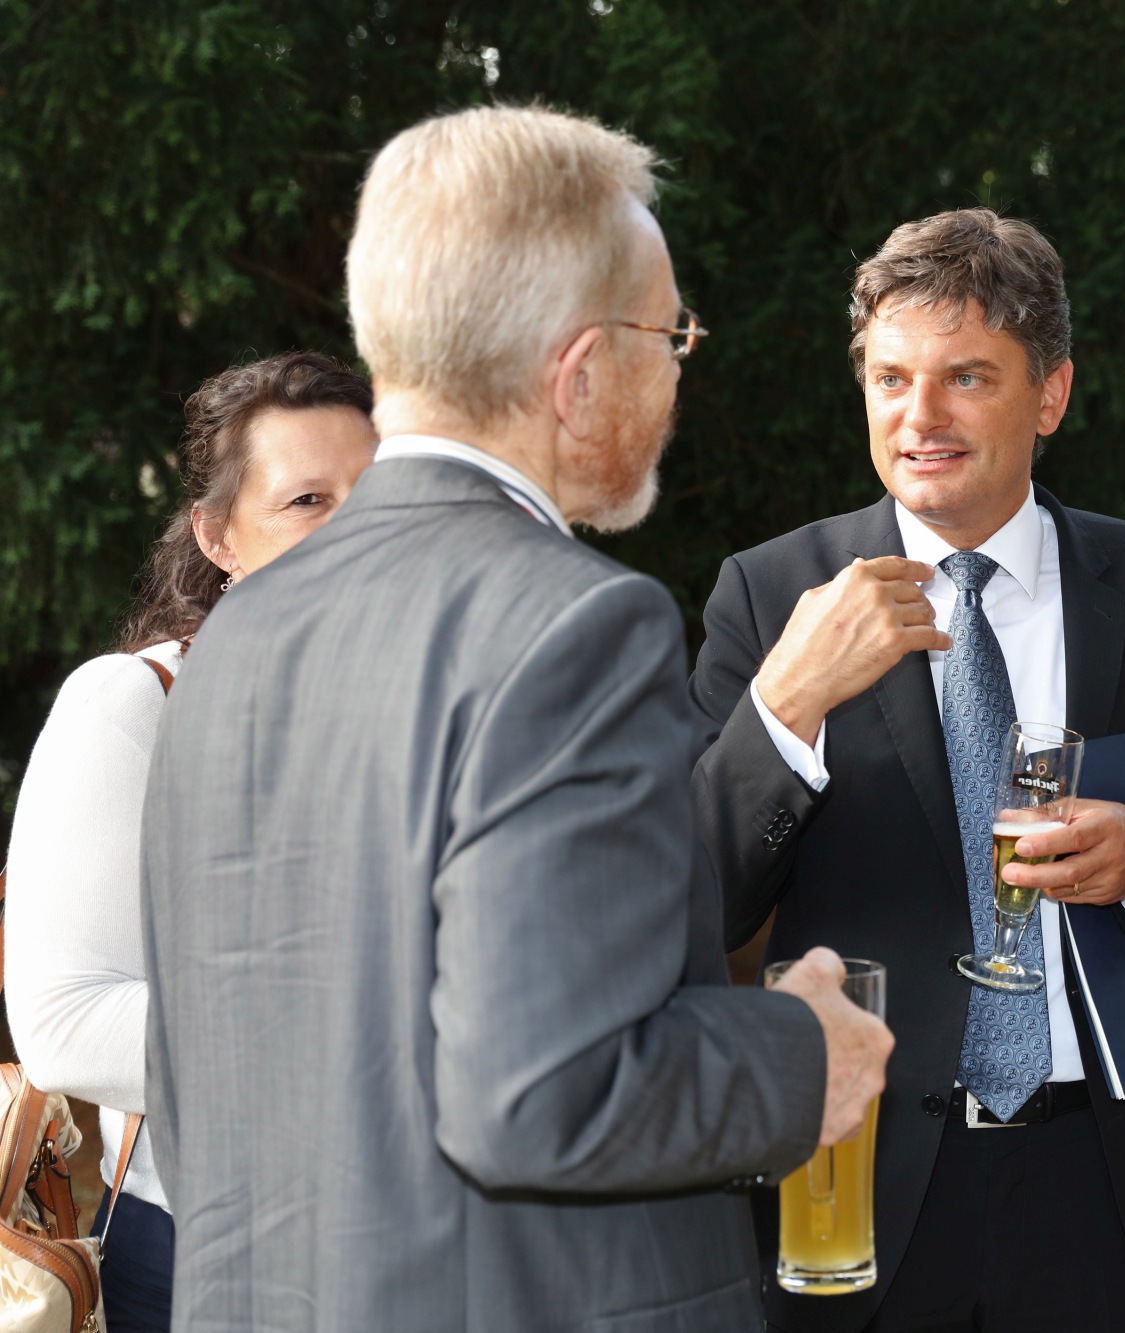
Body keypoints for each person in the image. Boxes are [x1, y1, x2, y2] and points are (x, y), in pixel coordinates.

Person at [139, 105, 892, 1332]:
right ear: (581, 370)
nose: (677, 365)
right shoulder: (573, 629)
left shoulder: (237, 637)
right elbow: (540, 1094)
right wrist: (802, 1056)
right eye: (669, 333)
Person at [689, 208, 1125, 1333]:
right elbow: (690, 899)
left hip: (1111, 1183)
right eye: (889, 379)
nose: (916, 416)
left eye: (964, 377)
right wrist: (782, 708)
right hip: (860, 1174)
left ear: (1049, 394)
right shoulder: (771, 592)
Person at [4, 351, 376, 1333]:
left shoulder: (426, 716)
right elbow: (63, 1019)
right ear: (219, 535)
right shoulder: (133, 706)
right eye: (306, 499)